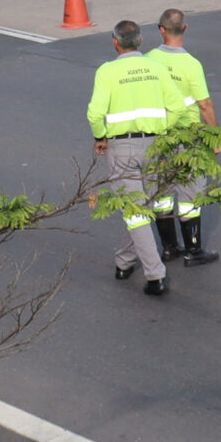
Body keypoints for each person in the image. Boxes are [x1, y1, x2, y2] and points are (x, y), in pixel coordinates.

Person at [87, 19, 180, 296]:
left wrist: (100, 137)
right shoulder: (156, 67)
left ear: (115, 42)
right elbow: (176, 107)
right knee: (143, 210)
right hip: (155, 147)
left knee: (136, 212)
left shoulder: (107, 71)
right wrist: (162, 131)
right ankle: (125, 261)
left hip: (122, 148)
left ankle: (155, 275)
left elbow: (94, 114)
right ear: (141, 41)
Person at [147, 8, 219, 266]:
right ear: (186, 28)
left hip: (159, 137)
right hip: (188, 138)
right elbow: (205, 104)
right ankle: (193, 250)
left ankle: (169, 248)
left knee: (162, 192)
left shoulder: (149, 60)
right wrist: (216, 138)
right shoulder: (191, 64)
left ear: (161, 30)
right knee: (190, 194)